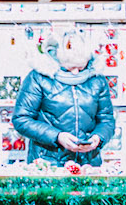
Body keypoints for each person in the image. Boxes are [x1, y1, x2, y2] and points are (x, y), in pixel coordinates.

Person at [11, 32, 115, 168]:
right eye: (70, 67)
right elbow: (21, 119)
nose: (76, 72)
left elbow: (107, 120)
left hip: (87, 164)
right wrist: (57, 136)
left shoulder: (97, 80)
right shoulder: (38, 78)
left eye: (81, 67)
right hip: (48, 164)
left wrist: (98, 138)